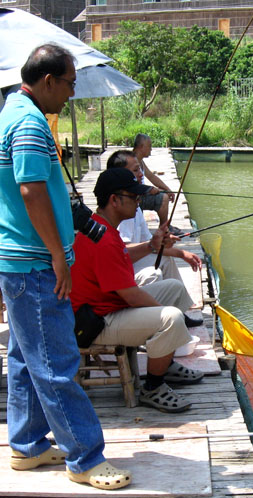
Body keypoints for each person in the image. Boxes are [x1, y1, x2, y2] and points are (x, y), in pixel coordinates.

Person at [0, 43, 130, 491]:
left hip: (18, 260)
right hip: (32, 264)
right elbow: (31, 191)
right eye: (69, 83)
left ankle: (27, 446)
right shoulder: (29, 122)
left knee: (26, 358)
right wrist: (56, 255)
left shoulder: (14, 111)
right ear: (47, 81)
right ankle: (85, 459)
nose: (72, 92)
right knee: (56, 362)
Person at [70, 168, 205, 413]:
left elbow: (122, 254)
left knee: (173, 289)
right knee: (171, 318)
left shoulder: (101, 226)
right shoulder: (103, 239)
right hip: (98, 323)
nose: (138, 202)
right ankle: (153, 387)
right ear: (114, 200)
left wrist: (152, 246)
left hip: (109, 307)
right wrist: (166, 316)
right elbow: (131, 295)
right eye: (134, 197)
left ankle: (165, 362)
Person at [105, 151, 203, 327]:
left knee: (166, 259)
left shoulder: (134, 209)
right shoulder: (119, 215)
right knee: (154, 273)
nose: (141, 174)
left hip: (127, 266)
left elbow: (151, 246)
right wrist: (151, 246)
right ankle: (164, 320)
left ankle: (179, 312)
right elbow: (124, 252)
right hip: (123, 276)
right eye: (136, 170)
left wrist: (180, 253)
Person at [132, 133, 179, 234]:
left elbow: (152, 177)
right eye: (149, 146)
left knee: (164, 193)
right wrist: (152, 190)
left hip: (142, 194)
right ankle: (163, 228)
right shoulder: (131, 162)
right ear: (141, 147)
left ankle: (165, 226)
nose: (151, 149)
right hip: (134, 197)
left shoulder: (140, 161)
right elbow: (134, 186)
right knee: (163, 197)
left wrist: (167, 189)